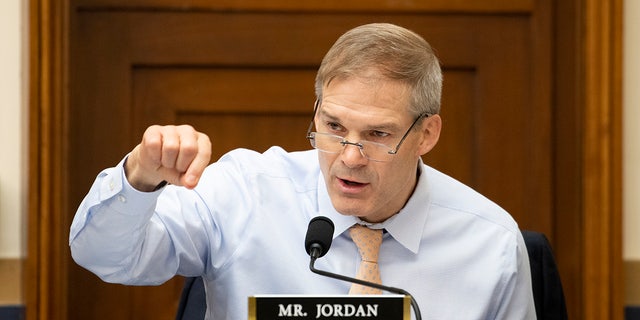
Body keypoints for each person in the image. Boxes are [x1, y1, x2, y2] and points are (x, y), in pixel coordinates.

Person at [69, 23, 536, 319]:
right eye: (333, 126)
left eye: (377, 135)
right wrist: (139, 178)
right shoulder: (244, 193)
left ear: (427, 134)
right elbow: (105, 257)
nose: (349, 157)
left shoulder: (490, 242)